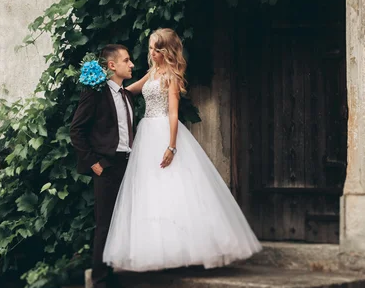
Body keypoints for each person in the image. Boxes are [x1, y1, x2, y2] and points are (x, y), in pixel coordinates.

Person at [103, 28, 262, 272]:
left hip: (165, 133)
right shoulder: (153, 71)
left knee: (176, 188)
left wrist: (172, 146)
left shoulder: (171, 77)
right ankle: (157, 249)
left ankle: (187, 251)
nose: (152, 53)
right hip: (146, 133)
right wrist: (110, 87)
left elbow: (174, 114)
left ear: (167, 51)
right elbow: (133, 89)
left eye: (156, 49)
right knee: (150, 190)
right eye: (151, 48)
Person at [69, 44, 135, 288]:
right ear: (112, 66)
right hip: (107, 167)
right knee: (105, 226)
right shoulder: (95, 93)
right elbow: (76, 130)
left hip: (128, 165)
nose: (131, 64)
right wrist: (93, 163)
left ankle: (112, 277)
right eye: (127, 60)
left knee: (122, 225)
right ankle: (100, 284)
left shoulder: (127, 96)